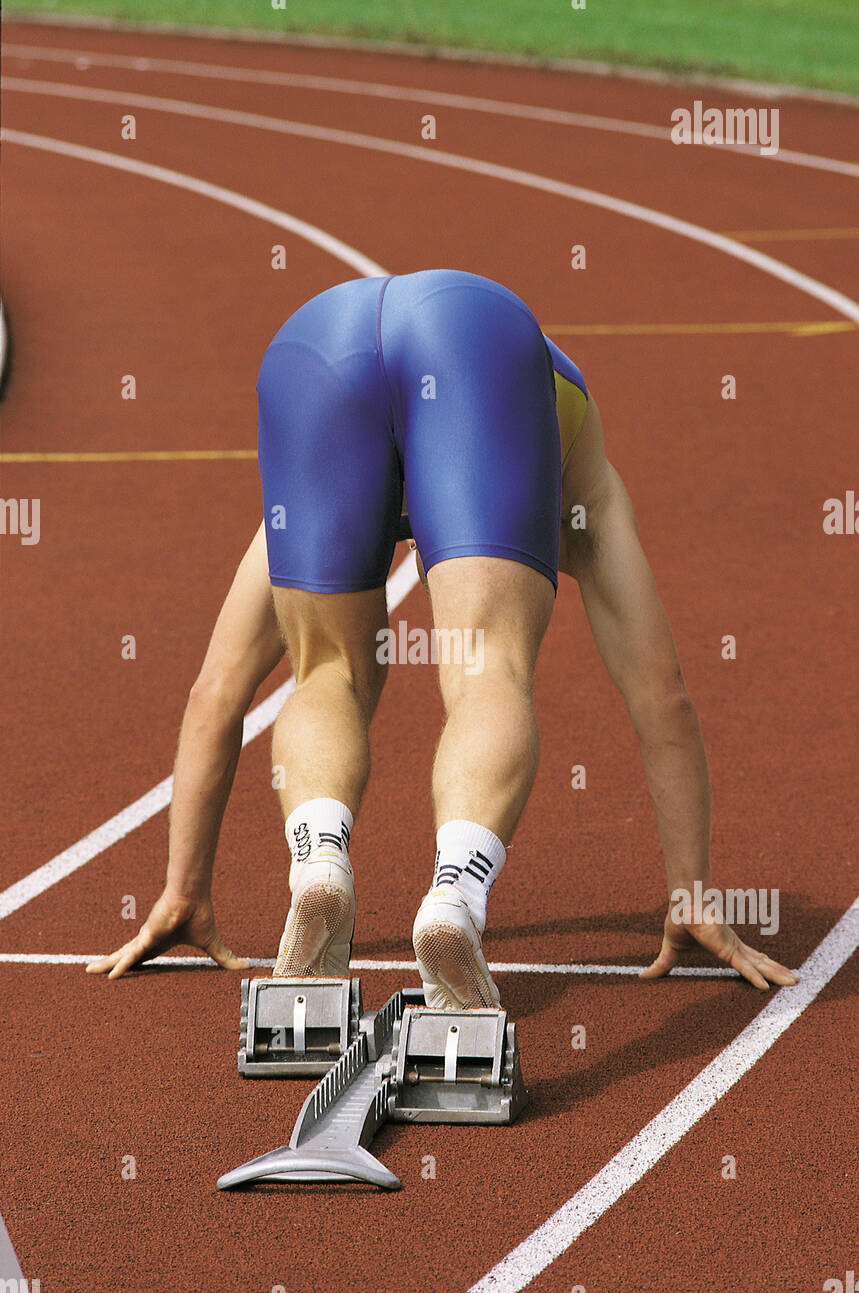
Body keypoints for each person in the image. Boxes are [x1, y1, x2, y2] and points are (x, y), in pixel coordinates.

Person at [88, 269, 798, 1003]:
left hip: (318, 343)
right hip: (473, 337)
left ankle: (320, 862)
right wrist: (690, 894)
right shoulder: (583, 491)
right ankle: (453, 894)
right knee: (486, 666)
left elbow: (216, 693)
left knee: (327, 668)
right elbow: (662, 697)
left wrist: (184, 890)